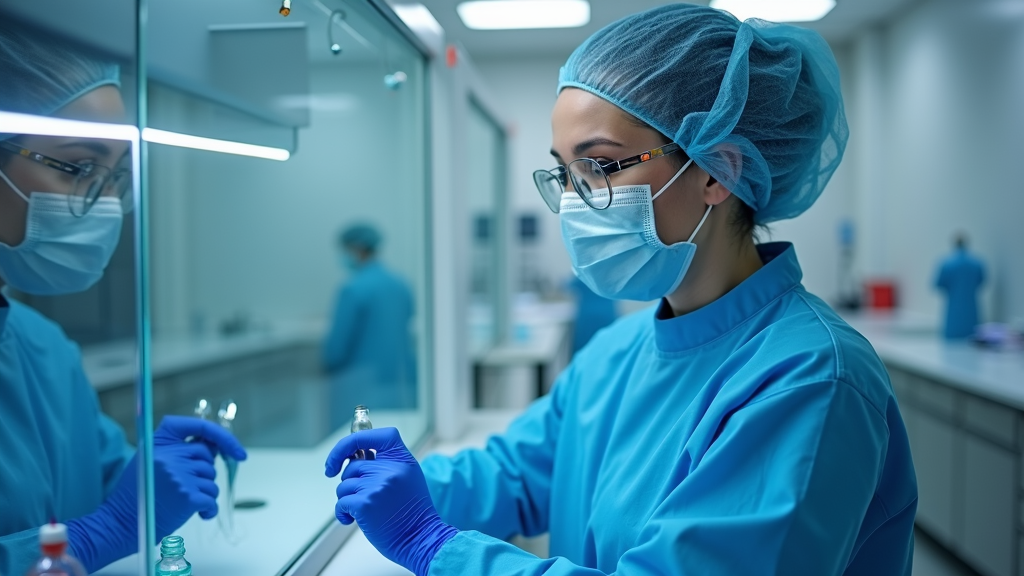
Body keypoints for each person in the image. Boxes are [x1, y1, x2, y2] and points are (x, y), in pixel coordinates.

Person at [324, 5, 916, 576]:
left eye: (601, 167)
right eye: (565, 173)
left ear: (720, 170)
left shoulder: (809, 378)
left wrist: (432, 546)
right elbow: (518, 473)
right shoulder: (620, 350)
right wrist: (399, 483)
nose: (576, 203)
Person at [0, 22, 246, 575]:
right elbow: (103, 519)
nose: (105, 204)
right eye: (83, 167)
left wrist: (156, 471)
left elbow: (105, 479)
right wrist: (103, 533)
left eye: (115, 178)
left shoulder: (44, 348)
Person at [323, 223, 416, 420]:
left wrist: (325, 367)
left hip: (360, 387)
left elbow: (336, 350)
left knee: (356, 445)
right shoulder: (400, 285)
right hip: (400, 385)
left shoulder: (353, 289)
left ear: (357, 249)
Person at [935, 233, 985, 340]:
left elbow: (938, 284)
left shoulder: (947, 264)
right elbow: (982, 281)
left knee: (951, 350)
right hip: (971, 312)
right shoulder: (977, 263)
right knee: (971, 343)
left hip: (953, 316)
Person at [565, 276, 617, 354]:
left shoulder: (585, 273)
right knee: (607, 346)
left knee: (586, 347)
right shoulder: (610, 274)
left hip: (588, 315)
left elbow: (568, 285)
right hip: (607, 313)